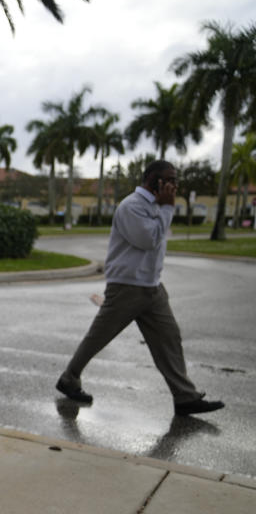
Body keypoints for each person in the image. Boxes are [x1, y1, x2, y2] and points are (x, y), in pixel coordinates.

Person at [56, 160, 224, 416]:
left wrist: (164, 208)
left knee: (169, 338)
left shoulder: (155, 206)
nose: (174, 185)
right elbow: (148, 240)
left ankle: (184, 396)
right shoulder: (131, 206)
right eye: (170, 180)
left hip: (152, 287)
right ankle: (69, 379)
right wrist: (168, 209)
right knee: (98, 337)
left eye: (175, 180)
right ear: (153, 180)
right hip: (127, 287)